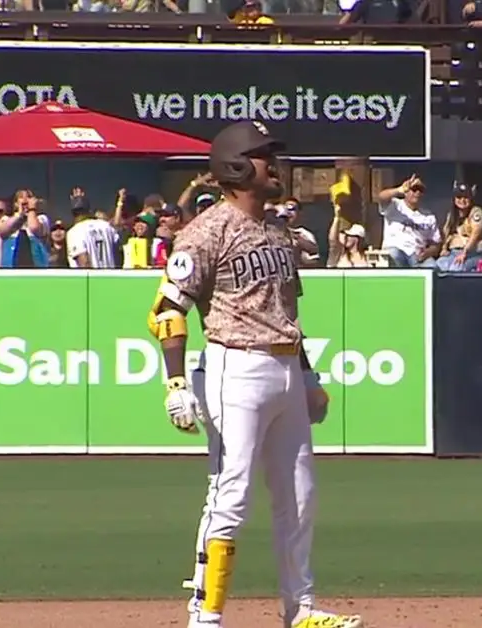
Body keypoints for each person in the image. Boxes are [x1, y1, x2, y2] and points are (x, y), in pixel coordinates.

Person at [148, 120, 362, 628]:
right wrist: (175, 382)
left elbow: (286, 311)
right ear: (237, 166)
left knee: (300, 494)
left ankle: (301, 608)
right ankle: (206, 613)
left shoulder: (278, 231)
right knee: (231, 493)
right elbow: (166, 308)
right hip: (234, 364)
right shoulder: (204, 231)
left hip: (284, 363)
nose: (274, 164)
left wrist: (306, 376)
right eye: (264, 156)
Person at [65, 196, 119, 269]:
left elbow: (84, 262)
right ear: (89, 210)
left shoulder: (74, 231)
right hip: (111, 276)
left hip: (92, 278)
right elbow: (117, 251)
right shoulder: (106, 226)